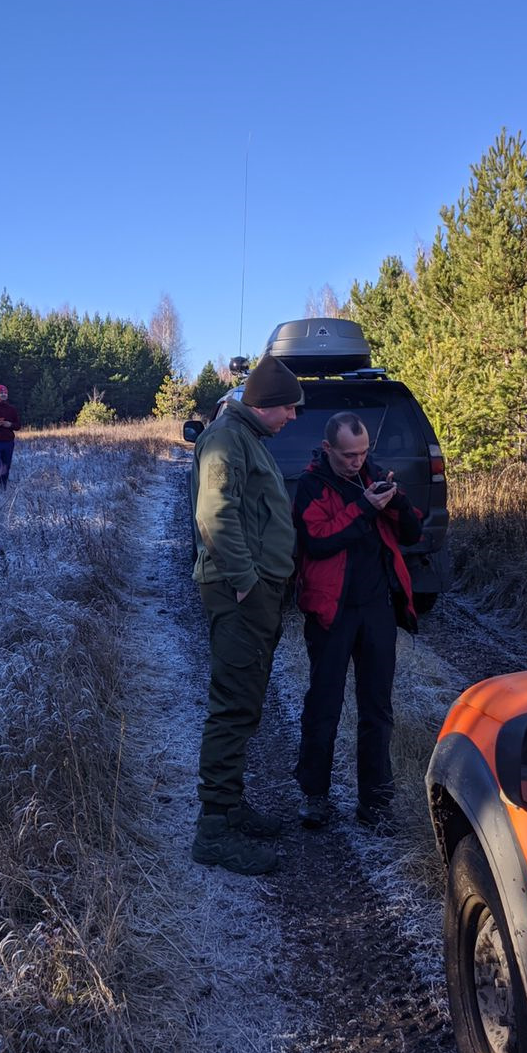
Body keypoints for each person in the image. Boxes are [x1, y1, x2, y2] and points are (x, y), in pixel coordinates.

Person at [189, 353, 303, 875]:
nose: (294, 419)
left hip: (254, 595)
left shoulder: (246, 437)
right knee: (233, 706)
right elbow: (215, 515)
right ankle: (213, 829)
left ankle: (229, 806)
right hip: (240, 596)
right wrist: (247, 583)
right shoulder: (226, 439)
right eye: (290, 409)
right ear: (267, 405)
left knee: (245, 703)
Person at [293, 411, 422, 831]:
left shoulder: (373, 477)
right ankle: (315, 796)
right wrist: (364, 508)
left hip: (377, 610)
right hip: (331, 613)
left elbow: (412, 533)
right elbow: (319, 540)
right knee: (324, 706)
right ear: (329, 449)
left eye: (363, 452)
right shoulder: (312, 484)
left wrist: (395, 501)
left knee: (377, 710)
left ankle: (376, 803)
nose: (357, 461)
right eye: (349, 455)